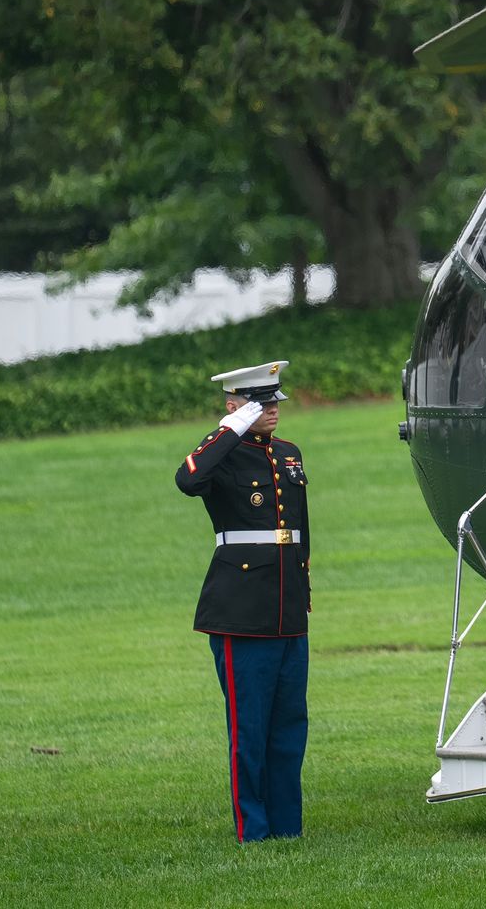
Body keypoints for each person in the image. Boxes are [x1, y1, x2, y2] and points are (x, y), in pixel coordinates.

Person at [175, 361, 311, 842]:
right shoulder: (220, 456)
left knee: (290, 726)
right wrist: (227, 432)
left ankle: (287, 827)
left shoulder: (289, 454)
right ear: (234, 407)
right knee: (248, 728)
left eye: (274, 401)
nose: (272, 410)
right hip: (241, 609)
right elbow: (188, 480)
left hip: (287, 608)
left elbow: (300, 532)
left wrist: (303, 595)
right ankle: (252, 829)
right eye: (260, 403)